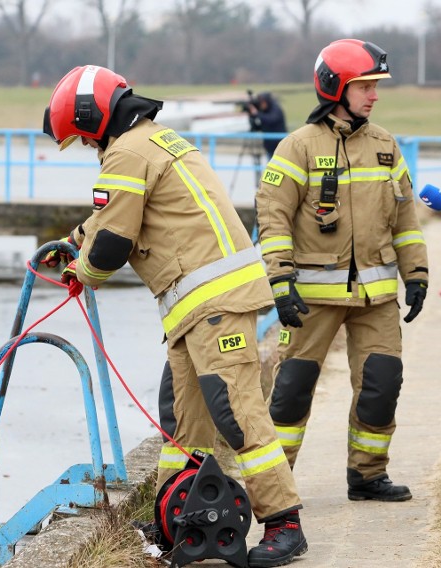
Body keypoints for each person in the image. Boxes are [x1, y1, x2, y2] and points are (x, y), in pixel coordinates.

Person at [42, 65, 307, 567]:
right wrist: (74, 242)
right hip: (198, 308)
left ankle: (285, 522)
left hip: (216, 304)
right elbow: (111, 215)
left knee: (236, 410)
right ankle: (175, 521)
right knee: (184, 420)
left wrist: (83, 270)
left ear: (92, 118)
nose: (83, 146)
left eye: (79, 137)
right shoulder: (151, 140)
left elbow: (115, 242)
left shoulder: (124, 153)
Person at [255, 39, 429, 502]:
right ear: (335, 87)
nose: (374, 95)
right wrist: (279, 278)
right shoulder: (298, 147)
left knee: (382, 383)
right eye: (365, 86)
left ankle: (368, 476)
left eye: (375, 86)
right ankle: (276, 483)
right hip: (311, 297)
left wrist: (416, 274)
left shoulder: (386, 146)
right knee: (292, 390)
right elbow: (271, 216)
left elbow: (406, 218)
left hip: (376, 297)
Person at [246, 92, 287, 160]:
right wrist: (252, 116)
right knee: (271, 167)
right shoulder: (263, 111)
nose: (261, 104)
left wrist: (257, 113)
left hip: (279, 145)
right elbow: (261, 126)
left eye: (262, 102)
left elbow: (271, 120)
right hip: (269, 145)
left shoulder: (276, 109)